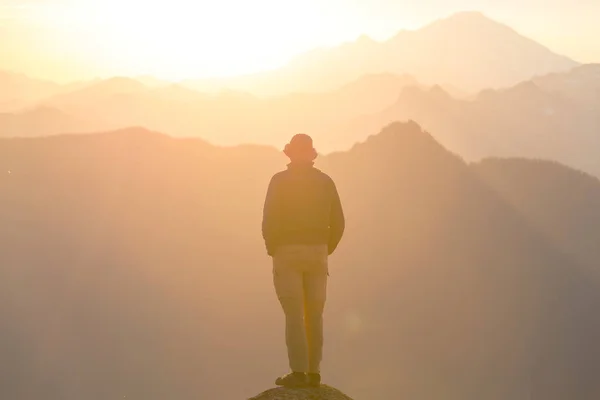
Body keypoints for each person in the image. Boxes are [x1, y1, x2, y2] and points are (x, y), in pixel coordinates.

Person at [262, 133, 345, 388]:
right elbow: (339, 223)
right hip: (318, 252)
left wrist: (273, 248)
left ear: (290, 154)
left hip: (287, 252)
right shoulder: (325, 182)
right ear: (311, 155)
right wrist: (324, 249)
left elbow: (268, 220)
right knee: (315, 313)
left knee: (294, 314)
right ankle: (314, 372)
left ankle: (298, 373)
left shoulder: (279, 181)